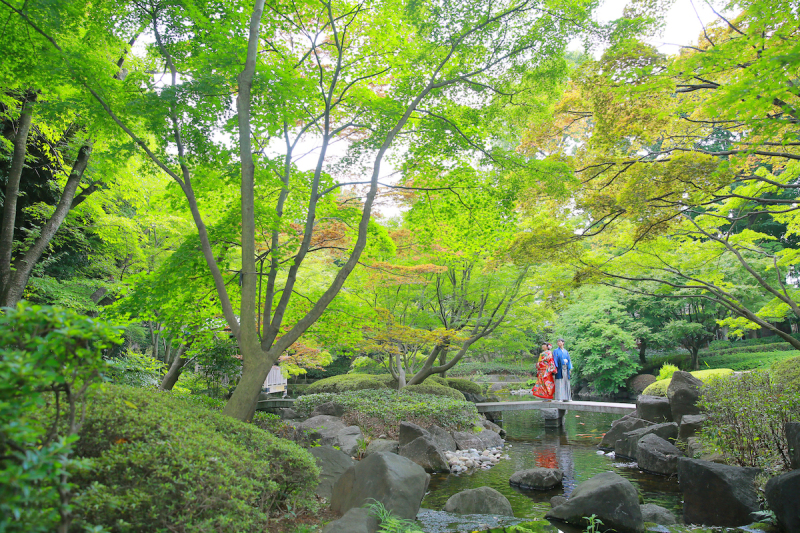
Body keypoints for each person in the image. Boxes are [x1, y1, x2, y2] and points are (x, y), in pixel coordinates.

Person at [553, 338, 573, 402]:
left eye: (560, 342)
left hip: (566, 367)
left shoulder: (566, 351)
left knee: (566, 382)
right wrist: (555, 367)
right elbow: (555, 359)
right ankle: (559, 398)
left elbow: (569, 360)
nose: (558, 343)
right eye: (558, 342)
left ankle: (567, 397)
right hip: (559, 368)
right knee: (559, 382)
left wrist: (569, 368)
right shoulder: (555, 351)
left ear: (563, 343)